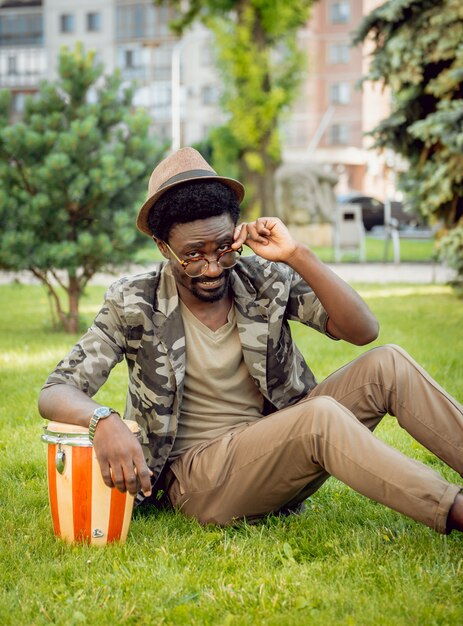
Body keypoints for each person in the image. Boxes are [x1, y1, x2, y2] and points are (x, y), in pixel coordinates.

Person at [38, 147, 463, 535]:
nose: (211, 267)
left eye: (224, 248)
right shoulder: (134, 301)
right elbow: (57, 389)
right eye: (193, 254)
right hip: (198, 479)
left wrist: (297, 254)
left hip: (278, 449)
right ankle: (455, 510)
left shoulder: (262, 279)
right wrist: (104, 420)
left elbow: (362, 330)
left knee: (386, 364)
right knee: (320, 416)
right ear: (162, 246)